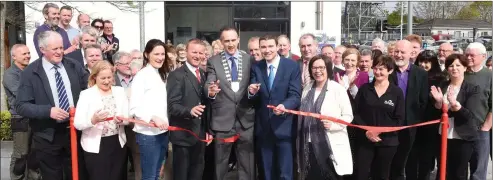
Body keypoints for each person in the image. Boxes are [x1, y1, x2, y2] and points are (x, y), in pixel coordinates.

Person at [15, 31, 88, 180]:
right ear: (42, 49)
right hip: (47, 135)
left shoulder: (73, 66)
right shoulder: (31, 72)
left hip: (74, 131)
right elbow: (21, 105)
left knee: (76, 173)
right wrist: (48, 111)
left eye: (61, 47)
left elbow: (89, 89)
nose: (60, 52)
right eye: (55, 49)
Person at [205, 27, 256, 180]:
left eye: (233, 40)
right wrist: (211, 90)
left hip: (245, 120)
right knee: (220, 164)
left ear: (238, 40)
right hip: (222, 120)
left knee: (247, 163)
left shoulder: (249, 59)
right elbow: (209, 83)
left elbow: (253, 82)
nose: (231, 44)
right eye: (226, 41)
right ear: (221, 42)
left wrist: (252, 91)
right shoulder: (213, 61)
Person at [249, 35, 302, 180]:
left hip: (284, 127)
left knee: (285, 173)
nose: (267, 50)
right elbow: (254, 97)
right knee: (266, 173)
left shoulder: (291, 66)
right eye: (264, 47)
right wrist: (251, 91)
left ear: (277, 47)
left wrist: (285, 106)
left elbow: (295, 95)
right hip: (264, 128)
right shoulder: (256, 67)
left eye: (270, 46)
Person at [295, 55, 354, 180]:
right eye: (314, 68)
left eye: (321, 67)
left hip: (329, 143)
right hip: (308, 142)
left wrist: (334, 125)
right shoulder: (307, 88)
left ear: (328, 69)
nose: (318, 71)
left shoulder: (337, 89)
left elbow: (348, 115)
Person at [73, 60, 129, 180]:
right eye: (103, 78)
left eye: (109, 77)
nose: (107, 81)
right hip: (96, 146)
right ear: (94, 77)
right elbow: (78, 123)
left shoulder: (119, 91)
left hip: (118, 143)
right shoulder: (86, 94)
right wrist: (93, 120)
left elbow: (127, 118)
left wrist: (122, 120)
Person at [353, 55, 405, 180]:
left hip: (387, 142)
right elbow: (355, 113)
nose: (377, 72)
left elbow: (399, 119)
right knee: (361, 174)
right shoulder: (365, 89)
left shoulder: (397, 92)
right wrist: (367, 131)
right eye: (375, 68)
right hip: (365, 141)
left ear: (390, 70)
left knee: (382, 175)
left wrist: (380, 130)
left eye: (381, 69)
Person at [431, 54, 482, 180]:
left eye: (458, 65)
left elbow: (471, 116)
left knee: (459, 172)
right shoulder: (442, 86)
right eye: (451, 66)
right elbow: (434, 112)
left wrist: (455, 105)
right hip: (442, 135)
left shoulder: (472, 89)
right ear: (447, 69)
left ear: (465, 68)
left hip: (463, 137)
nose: (454, 68)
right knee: (443, 170)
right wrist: (438, 103)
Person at [167, 38, 209, 180]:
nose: (197, 56)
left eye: (201, 53)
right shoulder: (176, 75)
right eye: (194, 52)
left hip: (200, 135)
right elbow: (172, 106)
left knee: (197, 173)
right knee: (182, 175)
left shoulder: (203, 74)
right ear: (186, 52)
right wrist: (189, 111)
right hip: (183, 136)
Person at [129, 39, 171, 180]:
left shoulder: (160, 74)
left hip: (163, 132)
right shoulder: (142, 76)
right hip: (148, 134)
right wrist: (153, 117)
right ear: (146, 55)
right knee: (149, 175)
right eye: (156, 54)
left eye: (162, 54)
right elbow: (134, 107)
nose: (160, 58)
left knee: (157, 172)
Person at [389, 40, 429, 180]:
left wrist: (416, 121)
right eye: (397, 52)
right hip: (389, 125)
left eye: (402, 52)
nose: (399, 55)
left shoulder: (421, 74)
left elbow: (423, 101)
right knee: (392, 161)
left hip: (411, 125)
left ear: (411, 54)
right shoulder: (386, 71)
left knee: (411, 161)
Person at [4, 44, 41, 180]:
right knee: (21, 154)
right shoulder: (10, 74)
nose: (28, 56)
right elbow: (22, 94)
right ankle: (16, 177)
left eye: (28, 53)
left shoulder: (31, 71)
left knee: (34, 152)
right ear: (14, 57)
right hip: (20, 118)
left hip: (34, 117)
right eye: (24, 54)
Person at [409, 50, 446, 180]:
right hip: (413, 120)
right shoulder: (412, 76)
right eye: (421, 61)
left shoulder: (439, 79)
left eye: (427, 62)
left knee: (426, 156)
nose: (423, 65)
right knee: (412, 156)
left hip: (431, 122)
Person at [464, 42, 492, 180]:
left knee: (479, 168)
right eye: (466, 54)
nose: (468, 58)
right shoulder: (460, 72)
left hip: (481, 128)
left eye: (472, 55)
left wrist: (487, 126)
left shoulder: (489, 76)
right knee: (460, 165)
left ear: (483, 56)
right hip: (460, 128)